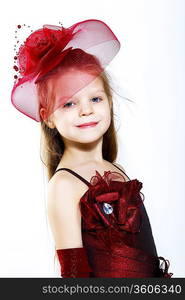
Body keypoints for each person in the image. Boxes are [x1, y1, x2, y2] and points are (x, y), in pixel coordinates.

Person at [11, 19, 173, 278]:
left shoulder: (116, 169)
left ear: (109, 102)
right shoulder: (64, 185)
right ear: (48, 117)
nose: (86, 110)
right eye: (68, 103)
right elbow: (75, 278)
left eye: (95, 99)